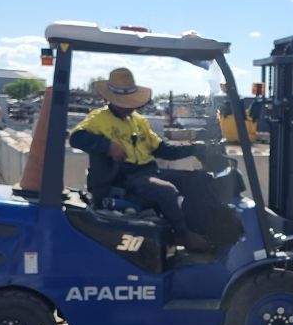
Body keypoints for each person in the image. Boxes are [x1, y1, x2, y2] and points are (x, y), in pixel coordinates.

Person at [69, 67, 211, 251]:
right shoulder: (98, 119)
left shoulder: (138, 120)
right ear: (112, 99)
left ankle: (200, 228)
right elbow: (76, 138)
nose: (130, 106)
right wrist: (108, 146)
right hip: (124, 178)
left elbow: (162, 150)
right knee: (166, 191)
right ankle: (182, 235)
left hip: (149, 172)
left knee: (199, 180)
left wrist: (195, 149)